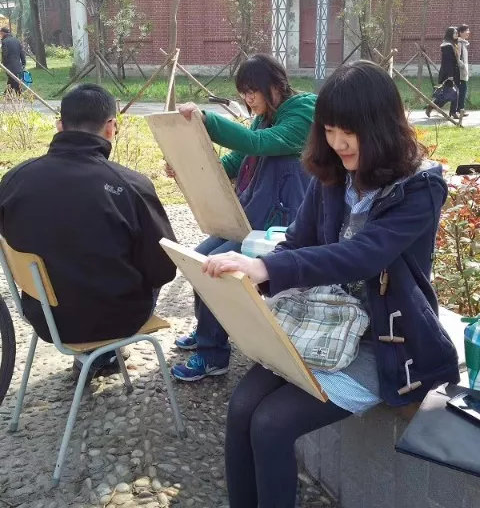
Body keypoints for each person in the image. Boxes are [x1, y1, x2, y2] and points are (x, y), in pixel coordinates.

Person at [202, 61, 460, 508]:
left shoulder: (420, 187)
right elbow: (297, 242)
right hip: (320, 324)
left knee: (272, 424)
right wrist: (250, 276)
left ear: (380, 127)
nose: (338, 143)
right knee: (242, 406)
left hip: (383, 342)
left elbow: (364, 255)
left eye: (350, 132)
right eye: (330, 130)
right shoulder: (334, 173)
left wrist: (269, 271)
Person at [0, 83, 177, 373]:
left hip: (45, 316)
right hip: (114, 319)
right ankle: (104, 354)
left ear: (59, 126)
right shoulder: (130, 185)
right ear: (111, 128)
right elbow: (164, 268)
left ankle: (97, 357)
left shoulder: (14, 178)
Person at [171, 53, 316, 382]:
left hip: (279, 224)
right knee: (199, 260)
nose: (248, 99)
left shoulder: (305, 111)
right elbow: (239, 158)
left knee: (216, 269)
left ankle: (213, 356)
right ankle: (208, 331)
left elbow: (257, 144)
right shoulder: (265, 117)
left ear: (274, 84)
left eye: (252, 91)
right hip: (250, 215)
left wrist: (207, 122)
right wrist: (189, 168)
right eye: (243, 93)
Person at [426, 26, 460, 118]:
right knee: (452, 93)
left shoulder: (452, 44)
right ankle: (451, 112)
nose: (457, 34)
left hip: (452, 73)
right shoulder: (447, 46)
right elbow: (448, 62)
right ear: (450, 34)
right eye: (455, 33)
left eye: (457, 33)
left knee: (450, 94)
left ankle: (433, 106)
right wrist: (450, 76)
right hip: (448, 74)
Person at [1, 26, 26, 94]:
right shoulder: (16, 40)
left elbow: (5, 54)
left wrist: (3, 63)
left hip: (9, 64)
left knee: (13, 80)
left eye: (0, 33)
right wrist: (23, 62)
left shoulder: (4, 41)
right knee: (13, 79)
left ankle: (18, 93)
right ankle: (8, 94)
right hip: (18, 64)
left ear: (3, 33)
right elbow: (22, 52)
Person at [457, 23, 470, 117]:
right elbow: (458, 58)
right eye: (466, 30)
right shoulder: (459, 43)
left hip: (463, 71)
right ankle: (461, 110)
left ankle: (460, 109)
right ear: (461, 32)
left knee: (462, 90)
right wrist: (464, 68)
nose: (468, 32)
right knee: (462, 90)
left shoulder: (464, 43)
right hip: (460, 72)